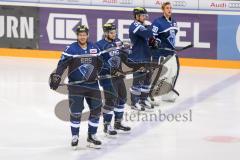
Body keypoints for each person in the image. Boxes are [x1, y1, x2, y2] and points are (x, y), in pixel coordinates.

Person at [49, 25, 102, 149]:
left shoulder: (94, 47)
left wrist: (102, 73)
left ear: (87, 35)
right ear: (77, 36)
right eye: (80, 35)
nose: (82, 37)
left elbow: (101, 63)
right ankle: (75, 136)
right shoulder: (71, 49)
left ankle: (92, 136)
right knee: (76, 112)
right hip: (76, 87)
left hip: (93, 85)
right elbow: (62, 65)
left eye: (84, 34)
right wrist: (57, 76)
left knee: (96, 110)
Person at [96, 23, 131, 136]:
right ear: (106, 33)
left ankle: (118, 123)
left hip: (118, 76)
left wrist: (128, 52)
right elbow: (98, 63)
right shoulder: (99, 45)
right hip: (107, 77)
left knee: (122, 99)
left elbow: (123, 58)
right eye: (111, 32)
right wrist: (111, 70)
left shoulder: (118, 42)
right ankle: (107, 125)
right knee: (110, 101)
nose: (114, 34)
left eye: (115, 32)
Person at [151, 2, 180, 102]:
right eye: (167, 8)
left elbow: (172, 37)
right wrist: (156, 42)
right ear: (163, 10)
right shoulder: (157, 22)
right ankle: (154, 94)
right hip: (161, 54)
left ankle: (167, 92)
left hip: (171, 53)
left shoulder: (174, 22)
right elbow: (152, 36)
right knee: (161, 74)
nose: (169, 10)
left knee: (173, 73)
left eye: (171, 8)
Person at [128, 7, 155, 111]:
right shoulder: (135, 25)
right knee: (138, 80)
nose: (144, 17)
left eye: (145, 15)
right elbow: (148, 33)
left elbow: (149, 37)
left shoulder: (142, 25)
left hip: (146, 55)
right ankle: (134, 102)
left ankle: (143, 100)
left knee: (147, 79)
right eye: (143, 15)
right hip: (138, 57)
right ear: (136, 16)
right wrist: (150, 26)